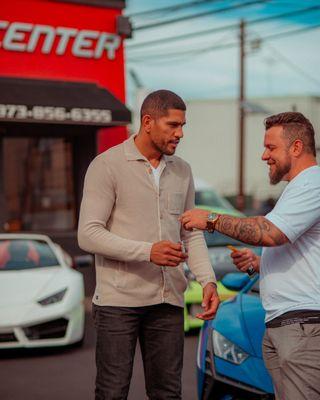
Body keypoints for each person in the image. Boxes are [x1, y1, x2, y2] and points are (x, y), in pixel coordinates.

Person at [78, 89, 219, 400]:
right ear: (147, 122)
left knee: (168, 393)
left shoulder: (182, 170)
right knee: (113, 393)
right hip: (118, 303)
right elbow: (88, 234)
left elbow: (190, 232)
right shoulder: (107, 165)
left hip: (168, 302)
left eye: (183, 125)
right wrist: (148, 251)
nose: (180, 133)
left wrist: (208, 280)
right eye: (173, 125)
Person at [180, 112, 320, 400]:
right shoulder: (298, 188)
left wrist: (210, 219)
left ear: (296, 147)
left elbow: (269, 232)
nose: (263, 155)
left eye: (271, 147)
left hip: (303, 326)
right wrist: (260, 263)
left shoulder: (312, 185)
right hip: (289, 325)